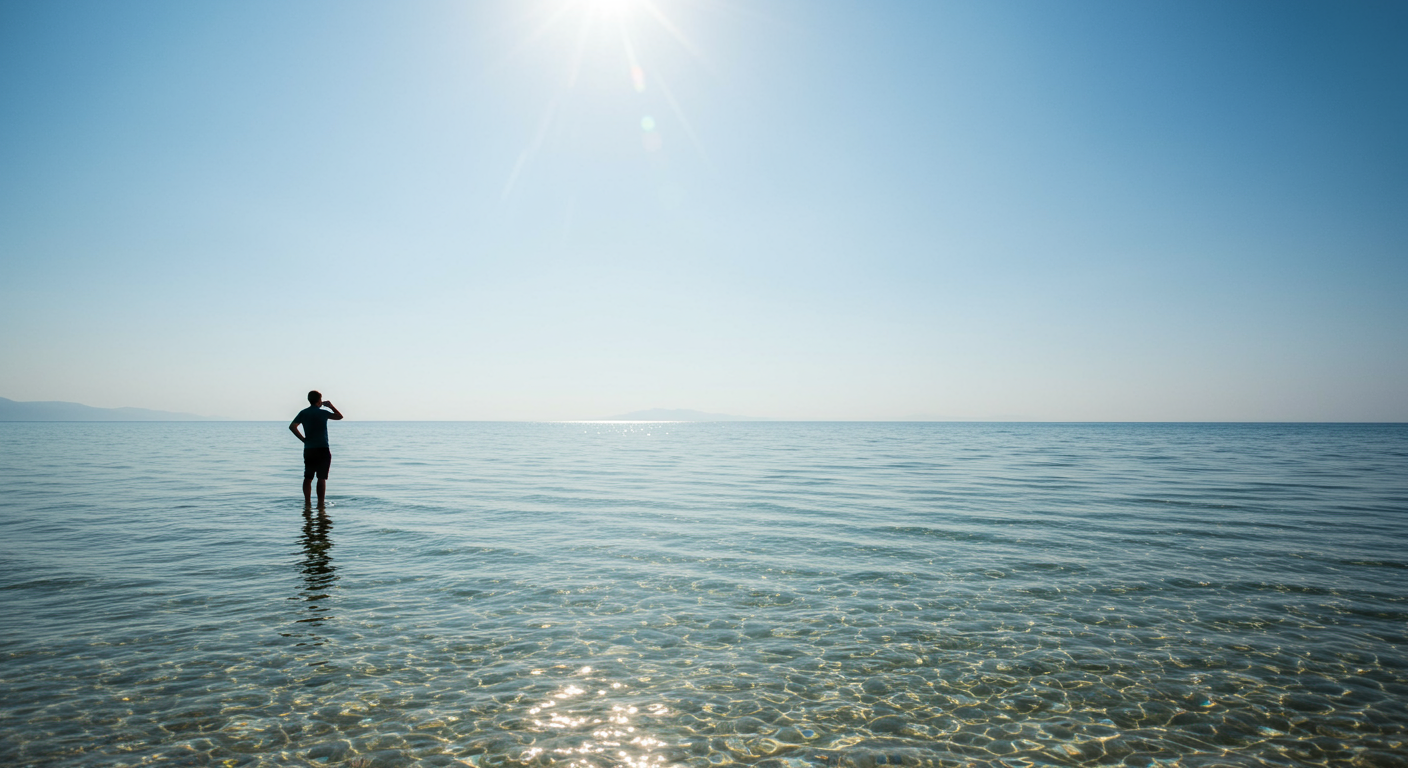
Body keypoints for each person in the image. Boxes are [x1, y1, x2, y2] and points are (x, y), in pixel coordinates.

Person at [289, 391, 344, 508]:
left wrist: (303, 439)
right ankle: (320, 504)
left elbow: (292, 426)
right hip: (323, 449)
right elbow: (339, 417)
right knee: (321, 478)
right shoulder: (323, 413)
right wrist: (331, 406)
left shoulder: (303, 413)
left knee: (308, 477)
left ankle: (307, 503)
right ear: (319, 400)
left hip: (309, 449)